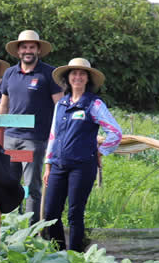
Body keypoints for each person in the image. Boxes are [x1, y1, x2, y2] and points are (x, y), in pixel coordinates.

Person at [43, 58, 122, 252]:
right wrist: (48, 164)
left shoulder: (93, 104)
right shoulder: (61, 103)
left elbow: (115, 132)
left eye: (82, 74)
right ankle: (58, 253)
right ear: (67, 78)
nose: (77, 77)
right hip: (58, 165)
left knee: (74, 213)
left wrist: (101, 152)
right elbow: (53, 134)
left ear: (88, 79)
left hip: (82, 166)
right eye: (73, 74)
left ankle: (75, 257)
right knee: (50, 212)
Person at [0, 29, 62, 223]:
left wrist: (57, 135)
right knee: (10, 183)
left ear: (38, 50)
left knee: (32, 186)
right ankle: (10, 227)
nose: (28, 50)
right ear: (18, 51)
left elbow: (59, 105)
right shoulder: (10, 73)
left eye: (32, 47)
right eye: (24, 47)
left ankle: (32, 231)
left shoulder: (48, 73)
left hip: (34, 139)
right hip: (10, 138)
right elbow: (4, 104)